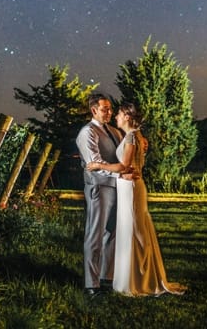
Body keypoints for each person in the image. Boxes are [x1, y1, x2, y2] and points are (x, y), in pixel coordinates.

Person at [86, 102, 186, 296]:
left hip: (130, 188)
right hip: (129, 186)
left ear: (128, 118)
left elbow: (124, 166)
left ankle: (138, 279)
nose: (116, 116)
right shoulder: (134, 136)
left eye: (120, 114)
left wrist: (98, 165)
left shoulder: (132, 136)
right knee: (131, 229)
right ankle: (135, 276)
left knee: (133, 229)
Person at [75, 93, 126, 296]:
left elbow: (124, 155)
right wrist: (120, 171)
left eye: (110, 109)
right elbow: (94, 163)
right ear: (94, 110)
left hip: (118, 187)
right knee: (95, 234)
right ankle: (91, 284)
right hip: (99, 187)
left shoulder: (115, 131)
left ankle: (107, 276)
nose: (109, 112)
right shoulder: (87, 132)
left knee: (112, 233)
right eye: (105, 109)